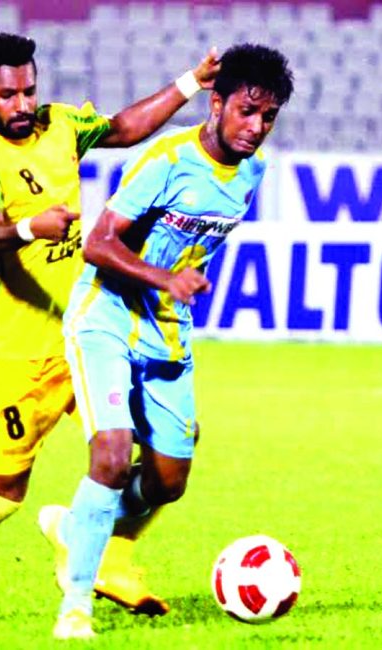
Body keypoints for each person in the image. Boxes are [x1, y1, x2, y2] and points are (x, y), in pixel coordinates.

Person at [0, 32, 220, 622]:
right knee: (1, 494)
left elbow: (122, 128)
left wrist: (191, 84)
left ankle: (110, 556)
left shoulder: (61, 125)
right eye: (7, 95)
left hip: (85, 336)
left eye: (29, 91)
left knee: (152, 453)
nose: (22, 105)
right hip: (12, 352)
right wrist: (28, 228)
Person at [43, 43, 294, 639]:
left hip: (167, 330)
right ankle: (75, 605)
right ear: (217, 102)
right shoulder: (167, 158)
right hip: (104, 314)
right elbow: (98, 244)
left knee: (167, 482)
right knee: (109, 454)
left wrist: (170, 288)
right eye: (246, 111)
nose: (256, 128)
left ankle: (77, 527)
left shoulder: (253, 170)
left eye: (268, 118)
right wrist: (165, 277)